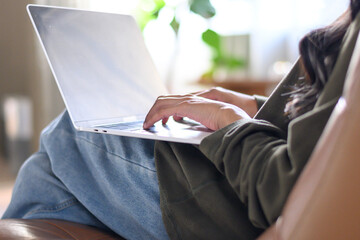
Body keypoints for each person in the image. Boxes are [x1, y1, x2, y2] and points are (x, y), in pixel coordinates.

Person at [3, 1, 360, 239]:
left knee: (69, 137)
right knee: (57, 181)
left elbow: (288, 188)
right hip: (246, 180)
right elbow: (326, 134)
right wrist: (255, 107)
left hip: (237, 206)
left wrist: (231, 122)